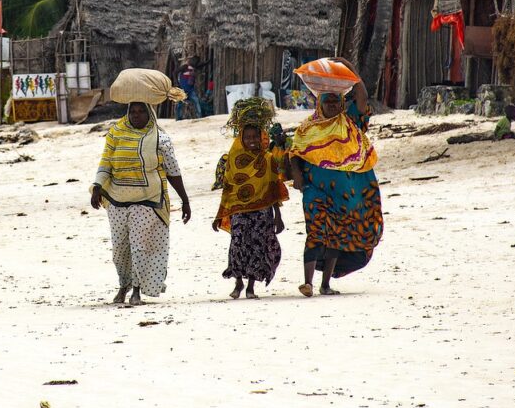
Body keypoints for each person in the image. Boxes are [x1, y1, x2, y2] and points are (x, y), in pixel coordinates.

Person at [289, 58, 383, 297]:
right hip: (315, 190)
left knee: (335, 238)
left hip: (344, 194)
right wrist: (297, 176)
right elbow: (295, 152)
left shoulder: (351, 121)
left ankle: (325, 284)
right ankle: (308, 282)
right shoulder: (308, 127)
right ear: (319, 102)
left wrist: (350, 67)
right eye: (327, 101)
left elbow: (362, 98)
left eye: (335, 100)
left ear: (341, 103)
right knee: (315, 232)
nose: (331, 104)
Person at [91, 102, 192, 305]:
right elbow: (106, 162)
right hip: (116, 199)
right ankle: (123, 285)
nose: (136, 116)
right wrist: (97, 187)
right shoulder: (116, 133)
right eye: (133, 112)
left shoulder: (160, 139)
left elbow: (173, 171)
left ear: (150, 114)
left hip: (148, 199)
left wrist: (185, 200)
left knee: (139, 247)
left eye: (141, 112)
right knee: (120, 249)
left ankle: (136, 290)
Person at [210, 98, 286, 299]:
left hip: (262, 212)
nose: (252, 140)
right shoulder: (232, 160)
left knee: (257, 246)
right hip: (238, 211)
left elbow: (273, 188)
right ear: (241, 138)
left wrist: (278, 216)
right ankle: (238, 283)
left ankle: (251, 286)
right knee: (238, 245)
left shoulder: (267, 159)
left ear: (261, 137)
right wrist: (220, 215)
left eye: (255, 136)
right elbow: (228, 190)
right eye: (248, 137)